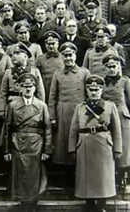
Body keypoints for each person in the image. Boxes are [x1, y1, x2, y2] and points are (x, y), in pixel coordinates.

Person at [68, 74, 122, 212]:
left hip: (103, 145)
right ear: (86, 90)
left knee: (102, 177)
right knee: (87, 178)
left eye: (96, 89)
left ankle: (101, 206)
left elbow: (116, 130)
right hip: (85, 145)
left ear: (101, 90)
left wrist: (118, 149)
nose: (93, 92)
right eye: (90, 89)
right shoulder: (80, 107)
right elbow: (73, 130)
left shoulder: (109, 107)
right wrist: (72, 149)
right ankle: (90, 205)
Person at [2, 73, 52, 212]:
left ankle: (33, 203)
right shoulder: (13, 105)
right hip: (18, 143)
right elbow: (7, 128)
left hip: (36, 144)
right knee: (20, 174)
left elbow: (47, 128)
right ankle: (23, 203)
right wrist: (6, 150)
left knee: (34, 175)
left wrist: (47, 149)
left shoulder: (41, 106)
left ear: (35, 88)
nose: (28, 89)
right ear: (20, 88)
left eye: (31, 86)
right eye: (25, 86)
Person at [48, 42, 90, 192]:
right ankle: (67, 177)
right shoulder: (58, 74)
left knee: (79, 143)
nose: (68, 58)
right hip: (63, 112)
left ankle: (80, 177)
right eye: (65, 56)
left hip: (79, 112)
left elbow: (89, 94)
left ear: (75, 55)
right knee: (65, 144)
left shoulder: (84, 73)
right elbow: (53, 96)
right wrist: (52, 116)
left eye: (70, 55)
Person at [102, 54, 130, 188]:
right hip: (108, 117)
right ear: (105, 68)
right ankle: (110, 176)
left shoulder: (125, 81)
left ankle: (123, 177)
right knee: (110, 145)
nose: (112, 69)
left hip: (122, 117)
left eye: (114, 66)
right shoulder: (102, 82)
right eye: (109, 67)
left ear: (118, 66)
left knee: (124, 146)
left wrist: (129, 115)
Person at [0, 42, 45, 119]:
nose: (13, 56)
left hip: (30, 105)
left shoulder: (34, 71)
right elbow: (3, 93)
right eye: (12, 54)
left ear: (25, 56)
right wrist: (1, 110)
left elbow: (40, 92)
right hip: (12, 105)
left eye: (17, 53)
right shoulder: (8, 72)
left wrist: (41, 108)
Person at [36, 31, 63, 103]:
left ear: (57, 44)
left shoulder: (63, 58)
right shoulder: (40, 59)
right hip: (45, 90)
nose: (51, 46)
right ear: (45, 45)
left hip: (59, 90)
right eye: (48, 44)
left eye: (53, 44)